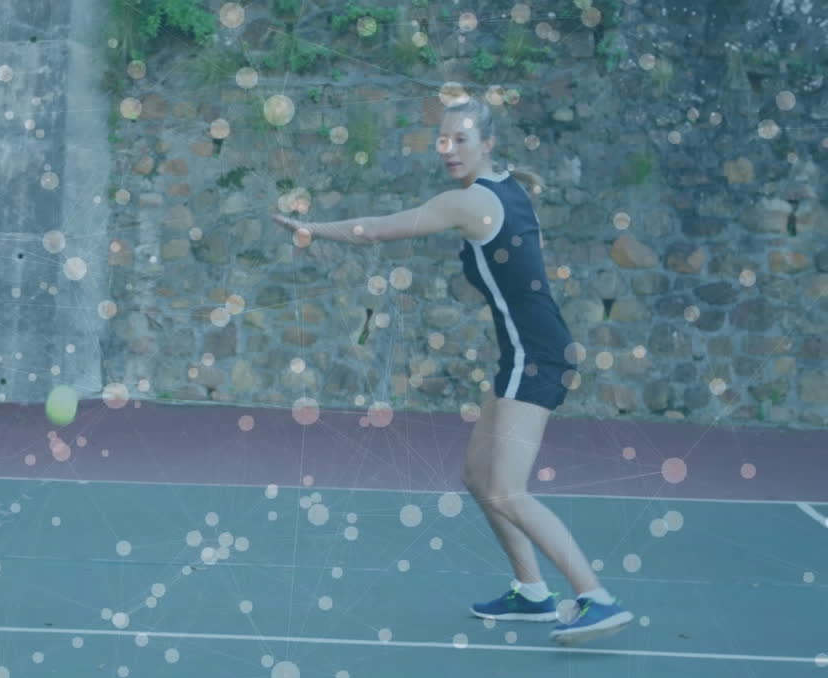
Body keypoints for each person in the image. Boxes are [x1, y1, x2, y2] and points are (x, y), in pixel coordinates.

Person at [271, 95, 633, 646]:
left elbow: (383, 228)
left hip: (536, 356)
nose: (449, 149)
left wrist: (313, 229)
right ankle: (532, 592)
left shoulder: (470, 203)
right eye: (443, 139)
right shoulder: (509, 188)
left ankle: (595, 598)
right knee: (477, 477)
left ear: (487, 143)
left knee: (508, 489)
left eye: (462, 139)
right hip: (529, 352)